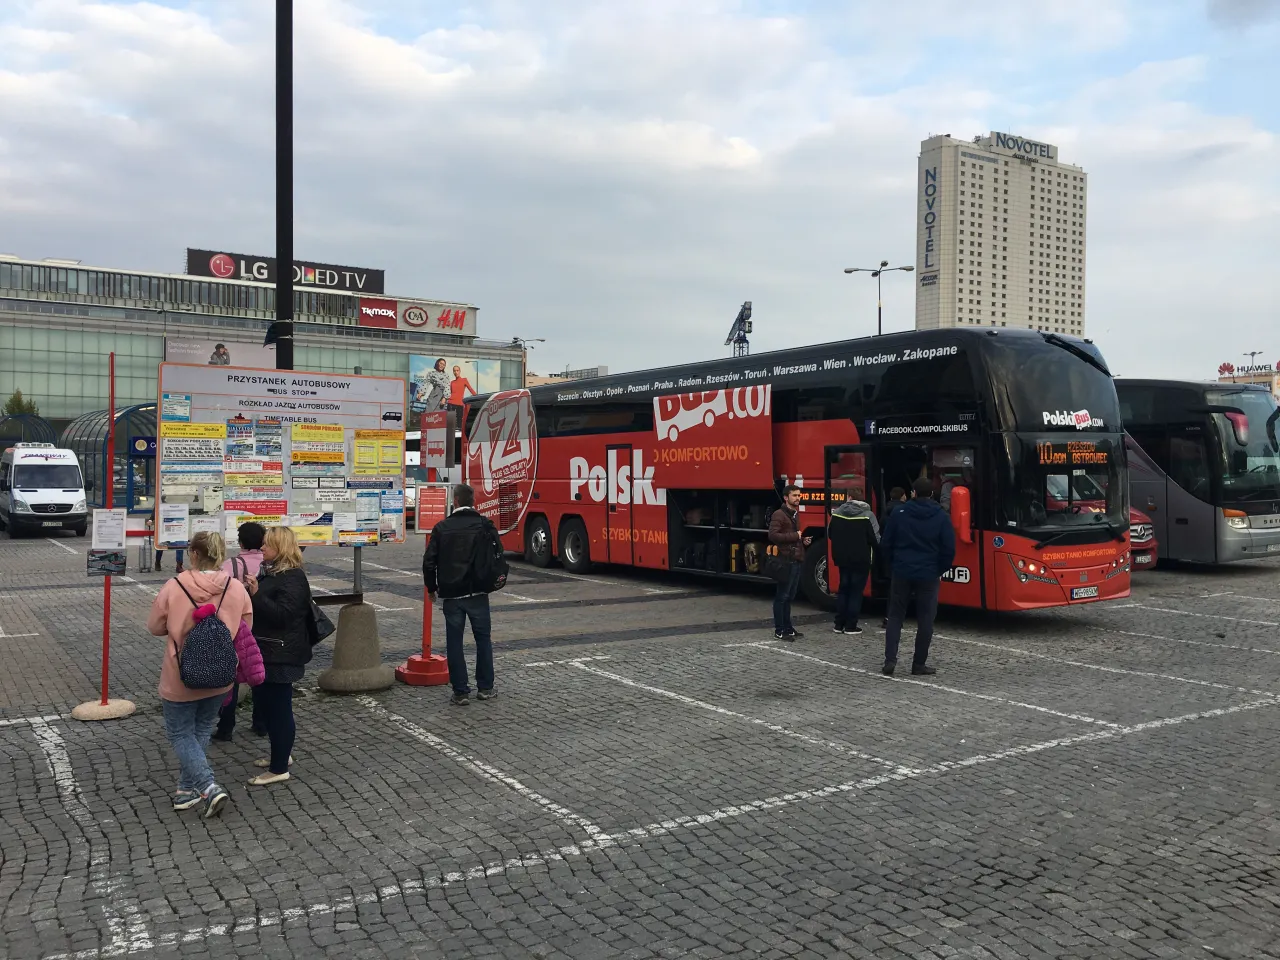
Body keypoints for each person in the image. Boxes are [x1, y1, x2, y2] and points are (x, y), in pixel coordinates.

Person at [146, 531, 251, 818]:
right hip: (220, 673)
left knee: (180, 732)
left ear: (193, 553)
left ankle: (207, 787)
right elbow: (246, 628)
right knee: (202, 729)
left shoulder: (174, 585)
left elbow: (155, 626)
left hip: (180, 672)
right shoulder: (236, 587)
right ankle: (184, 790)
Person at [243, 526, 314, 785]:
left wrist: (257, 594)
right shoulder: (274, 572)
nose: (261, 548)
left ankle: (278, 767)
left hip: (281, 653)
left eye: (267, 544)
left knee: (279, 709)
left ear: (281, 548)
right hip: (268, 649)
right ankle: (280, 754)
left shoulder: (293, 577)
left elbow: (283, 616)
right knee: (267, 706)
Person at [423, 483, 501, 705]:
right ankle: (485, 687)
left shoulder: (441, 527)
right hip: (478, 592)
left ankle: (460, 691)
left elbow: (429, 562)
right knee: (483, 640)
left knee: (454, 642)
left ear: (455, 501)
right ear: (472, 501)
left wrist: (432, 588)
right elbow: (498, 554)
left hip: (452, 594)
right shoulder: (485, 525)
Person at [879, 477, 956, 677]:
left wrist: (893, 564)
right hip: (928, 573)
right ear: (932, 494)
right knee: (926, 620)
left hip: (902, 570)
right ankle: (918, 664)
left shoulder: (899, 513)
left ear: (913, 493)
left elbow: (887, 543)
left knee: (895, 616)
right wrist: (939, 569)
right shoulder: (941, 516)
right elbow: (949, 548)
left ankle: (890, 660)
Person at [213, 522, 268, 742]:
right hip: (264, 625)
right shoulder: (270, 563)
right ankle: (261, 722)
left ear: (241, 541)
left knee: (231, 675)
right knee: (260, 673)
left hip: (237, 625)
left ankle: (226, 726)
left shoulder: (231, 565)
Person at [827, 494, 879, 635]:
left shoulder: (836, 513)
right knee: (856, 592)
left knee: (843, 589)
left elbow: (830, 534)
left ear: (849, 497)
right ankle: (851, 626)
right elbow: (876, 539)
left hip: (842, 558)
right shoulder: (868, 515)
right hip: (861, 559)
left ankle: (838, 624)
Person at [767, 484, 811, 641]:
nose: (798, 498)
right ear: (786, 497)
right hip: (785, 561)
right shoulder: (779, 515)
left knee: (790, 597)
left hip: (796, 559)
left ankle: (788, 627)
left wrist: (802, 540)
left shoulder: (794, 514)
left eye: (799, 495)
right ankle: (780, 630)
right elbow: (773, 535)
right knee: (782, 597)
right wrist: (795, 536)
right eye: (795, 495)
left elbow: (793, 536)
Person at [878, 487, 908, 629]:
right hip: (902, 555)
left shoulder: (885, 512)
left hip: (891, 555)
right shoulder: (906, 512)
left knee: (894, 589)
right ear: (903, 497)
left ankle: (889, 617)